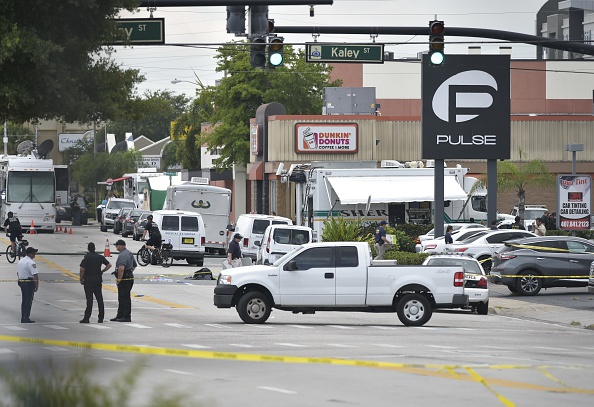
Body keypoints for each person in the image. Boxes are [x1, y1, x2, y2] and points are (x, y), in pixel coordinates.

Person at [79, 242, 112, 324]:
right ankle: (101, 318)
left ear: (88, 249)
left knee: (89, 300)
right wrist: (102, 271)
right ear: (95, 248)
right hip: (97, 279)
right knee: (99, 299)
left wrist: (81, 279)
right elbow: (109, 265)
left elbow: (82, 269)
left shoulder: (87, 258)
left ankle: (87, 318)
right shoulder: (99, 257)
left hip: (89, 280)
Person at [110, 240, 136, 322]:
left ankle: (126, 316)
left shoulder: (122, 255)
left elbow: (121, 269)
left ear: (121, 246)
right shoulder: (129, 253)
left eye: (117, 246)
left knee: (124, 298)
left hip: (124, 278)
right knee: (122, 297)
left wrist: (119, 279)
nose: (116, 247)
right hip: (129, 276)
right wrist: (129, 272)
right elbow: (134, 265)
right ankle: (120, 315)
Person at [17, 247, 39, 323]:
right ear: (30, 254)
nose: (34, 255)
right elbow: (35, 275)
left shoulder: (21, 261)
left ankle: (23, 316)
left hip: (21, 281)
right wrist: (36, 285)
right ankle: (26, 317)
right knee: (28, 300)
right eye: (33, 253)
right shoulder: (31, 263)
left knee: (24, 300)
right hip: (28, 282)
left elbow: (18, 272)